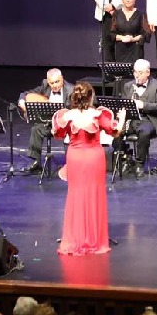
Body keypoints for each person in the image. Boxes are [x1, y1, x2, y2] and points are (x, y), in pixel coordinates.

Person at [53, 80, 120, 256]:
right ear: (91, 97)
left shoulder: (67, 116)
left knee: (76, 195)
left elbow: (58, 134)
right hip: (93, 158)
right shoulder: (98, 115)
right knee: (94, 195)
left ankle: (76, 237)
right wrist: (123, 118)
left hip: (75, 157)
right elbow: (115, 132)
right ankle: (94, 239)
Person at [117, 59, 157, 175]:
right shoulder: (128, 86)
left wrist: (143, 105)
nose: (136, 75)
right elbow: (123, 104)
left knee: (143, 132)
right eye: (135, 72)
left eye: (140, 72)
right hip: (132, 120)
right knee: (116, 129)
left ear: (148, 73)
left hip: (149, 120)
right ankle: (126, 158)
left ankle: (139, 163)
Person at [17, 68, 69, 175]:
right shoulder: (45, 86)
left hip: (65, 124)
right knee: (36, 129)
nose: (54, 85)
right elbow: (26, 94)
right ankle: (36, 162)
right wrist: (22, 101)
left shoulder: (71, 90)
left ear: (62, 79)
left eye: (57, 82)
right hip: (49, 122)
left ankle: (71, 164)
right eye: (52, 83)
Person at [111, 0, 150, 65]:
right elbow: (111, 34)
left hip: (136, 49)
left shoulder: (141, 14)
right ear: (122, 0)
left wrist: (133, 39)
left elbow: (146, 34)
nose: (128, 0)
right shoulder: (117, 14)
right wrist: (122, 38)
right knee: (122, 73)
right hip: (120, 50)